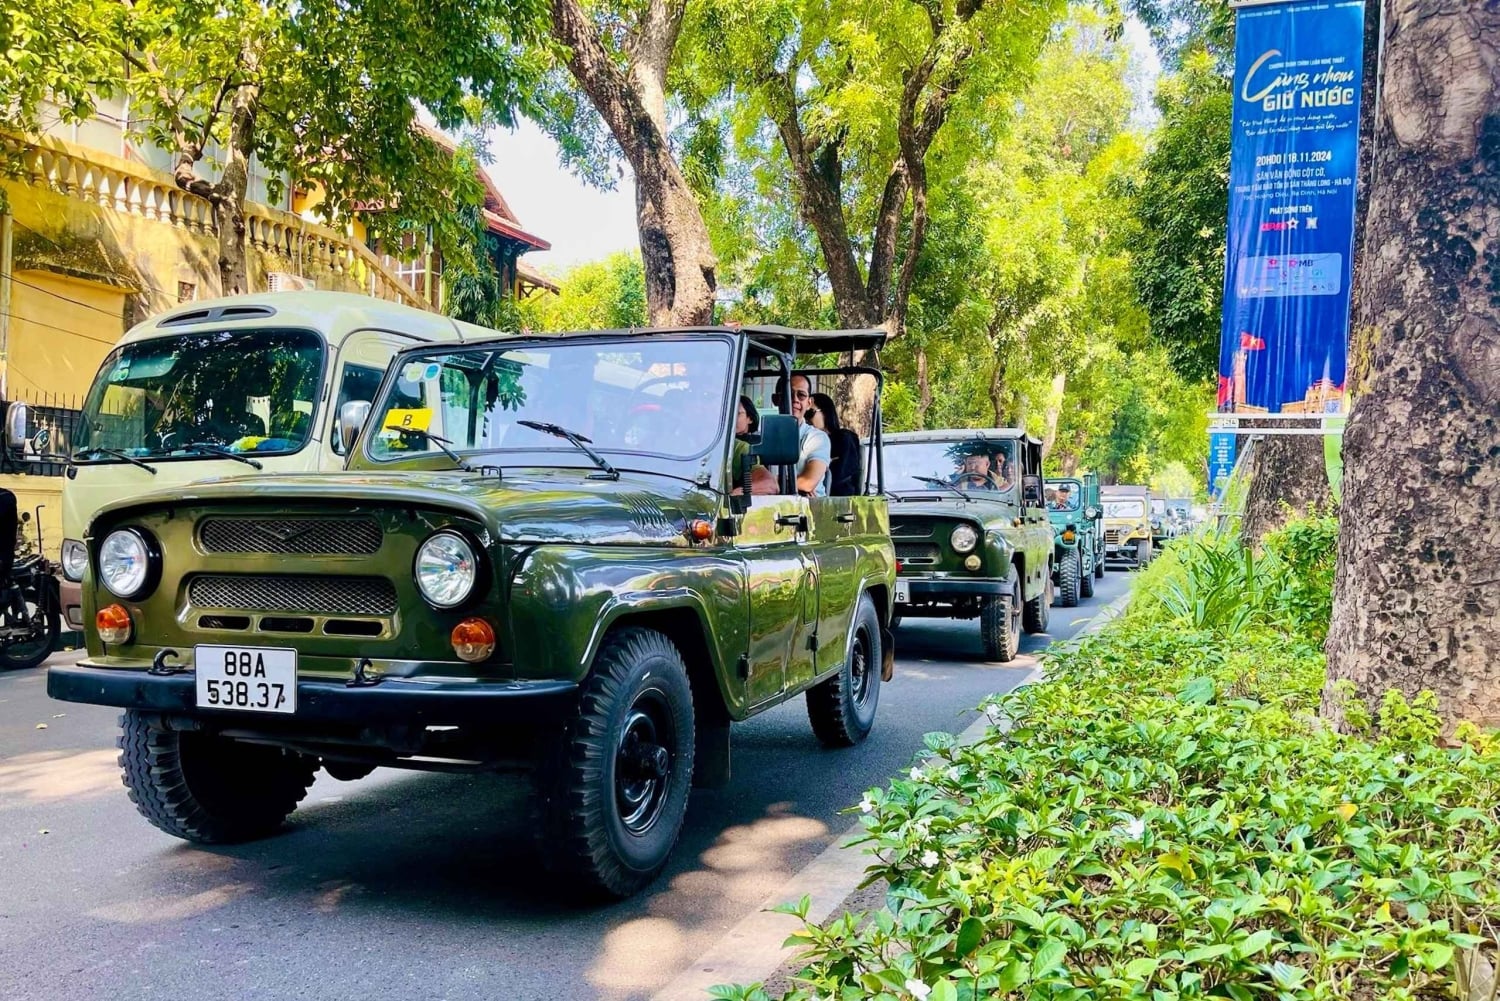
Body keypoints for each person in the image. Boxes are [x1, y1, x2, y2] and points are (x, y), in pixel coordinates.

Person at [751, 373, 828, 496]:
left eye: (801, 395)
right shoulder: (760, 439)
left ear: (809, 403)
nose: (795, 400)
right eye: (788, 394)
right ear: (775, 399)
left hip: (809, 509)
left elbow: (808, 482)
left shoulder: (816, 438)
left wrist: (770, 483)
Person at [808, 392, 862, 496]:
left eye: (810, 413)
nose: (807, 419)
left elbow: (841, 474)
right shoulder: (806, 441)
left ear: (825, 412)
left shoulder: (843, 438)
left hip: (839, 499)